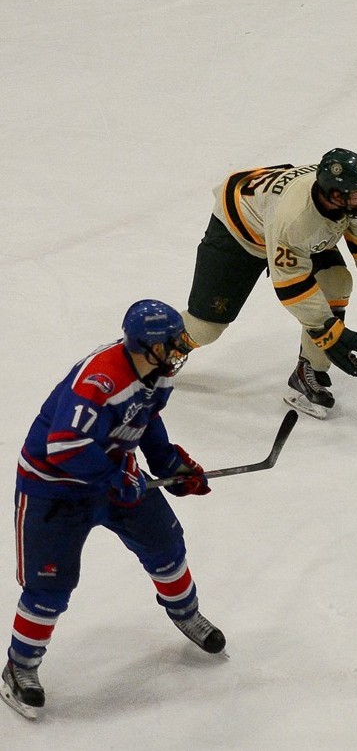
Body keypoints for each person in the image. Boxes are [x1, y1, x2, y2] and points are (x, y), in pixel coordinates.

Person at [3, 300, 222, 721]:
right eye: (171, 344)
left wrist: (170, 465)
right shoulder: (101, 381)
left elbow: (146, 418)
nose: (179, 350)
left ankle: (187, 616)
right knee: (50, 587)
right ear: (146, 345)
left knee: (166, 545)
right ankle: (21, 667)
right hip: (54, 489)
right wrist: (114, 479)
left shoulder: (156, 373)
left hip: (111, 473)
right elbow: (64, 445)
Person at [181, 148, 357, 419]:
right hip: (240, 228)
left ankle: (308, 370)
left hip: (283, 217)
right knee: (205, 328)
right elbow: (290, 283)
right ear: (334, 194)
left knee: (335, 282)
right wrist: (328, 332)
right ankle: (149, 347)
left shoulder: (353, 200)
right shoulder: (297, 219)